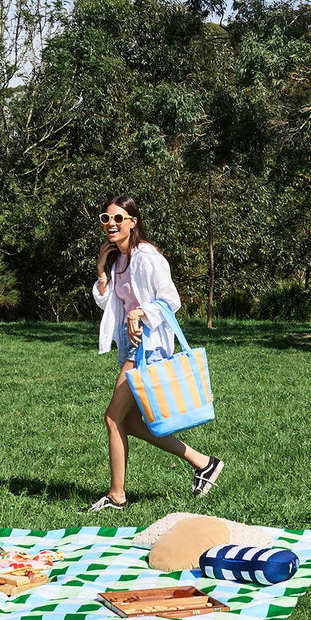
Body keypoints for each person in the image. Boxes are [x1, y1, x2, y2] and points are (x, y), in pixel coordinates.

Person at [85, 194, 224, 512]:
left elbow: (170, 298)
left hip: (148, 344)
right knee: (130, 422)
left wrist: (140, 314)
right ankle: (203, 463)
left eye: (118, 218)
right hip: (131, 344)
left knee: (112, 418)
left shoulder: (147, 257)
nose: (111, 225)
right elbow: (109, 304)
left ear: (133, 222)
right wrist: (101, 270)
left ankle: (117, 496)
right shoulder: (120, 259)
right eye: (106, 219)